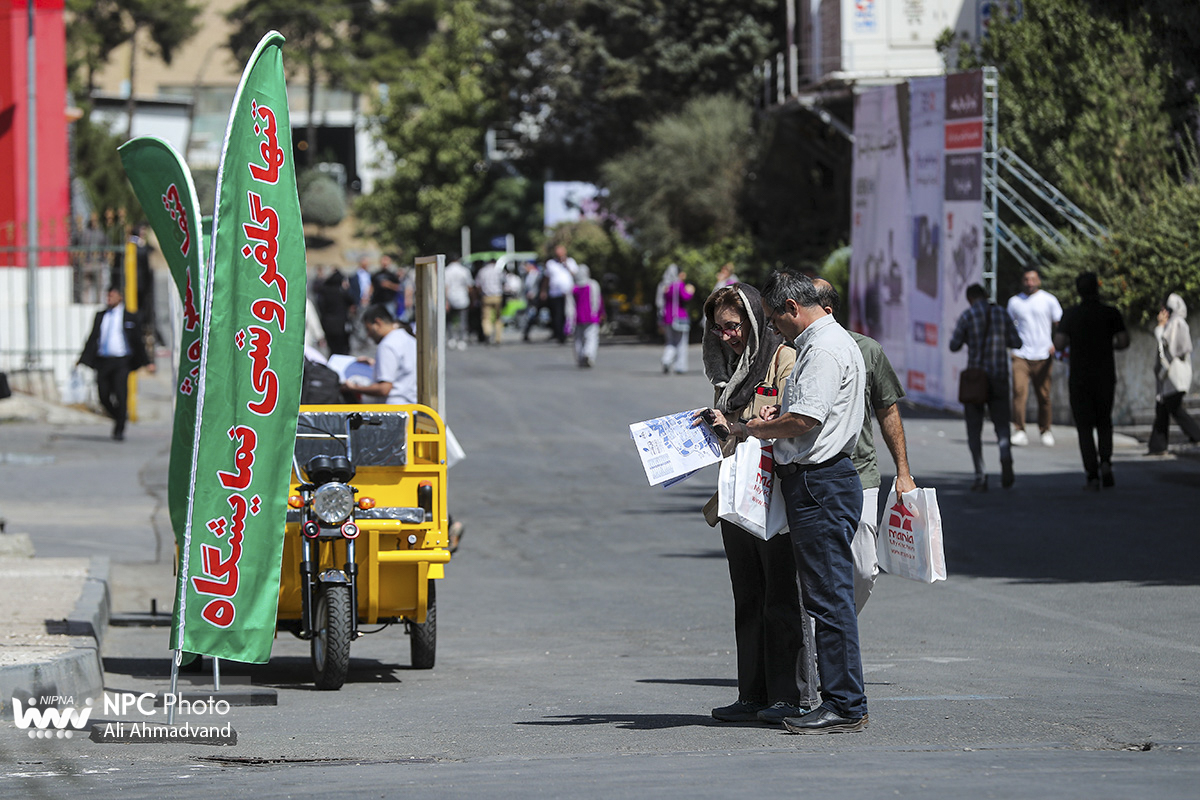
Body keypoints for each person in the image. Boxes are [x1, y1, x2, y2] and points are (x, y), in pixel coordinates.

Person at [709, 270, 868, 735]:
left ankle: (844, 703)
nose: (776, 331)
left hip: (820, 480)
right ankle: (841, 701)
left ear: (793, 309)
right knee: (825, 597)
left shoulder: (820, 349)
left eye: (776, 321)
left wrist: (750, 428)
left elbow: (804, 419)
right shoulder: (829, 344)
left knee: (829, 599)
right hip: (816, 481)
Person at [698, 283, 818, 725]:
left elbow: (793, 419)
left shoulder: (783, 359)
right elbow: (732, 426)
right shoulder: (728, 372)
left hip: (773, 494)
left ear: (753, 321)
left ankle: (790, 695)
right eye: (719, 329)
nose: (726, 336)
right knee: (747, 595)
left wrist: (742, 423)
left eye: (733, 327)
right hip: (736, 495)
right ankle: (752, 693)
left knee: (781, 596)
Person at [813, 279, 916, 613]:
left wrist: (903, 471)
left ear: (827, 311)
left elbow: (888, 411)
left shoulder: (867, 350)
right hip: (808, 475)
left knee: (862, 568)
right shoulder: (795, 350)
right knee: (814, 572)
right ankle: (822, 645)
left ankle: (838, 630)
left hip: (860, 475)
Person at [1052, 273, 1130, 488]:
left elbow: (1058, 344)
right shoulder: (1110, 313)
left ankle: (1092, 475)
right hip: (1105, 374)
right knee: (1104, 421)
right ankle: (1106, 461)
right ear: (1098, 288)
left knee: (1084, 426)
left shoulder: (1071, 314)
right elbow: (1124, 341)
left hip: (1080, 376)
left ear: (1078, 291)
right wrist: (1107, 346)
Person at [950, 283, 1023, 491]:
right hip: (999, 377)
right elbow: (1017, 342)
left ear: (970, 298)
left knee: (974, 429)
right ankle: (1005, 456)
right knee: (1001, 425)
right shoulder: (1001, 313)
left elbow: (953, 345)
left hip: (976, 380)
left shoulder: (967, 316)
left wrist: (968, 338)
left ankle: (980, 475)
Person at [77, 286, 153, 441]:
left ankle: (119, 429)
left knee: (120, 393)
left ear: (120, 297)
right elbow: (92, 338)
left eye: (112, 296)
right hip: (103, 360)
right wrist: (82, 358)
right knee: (103, 395)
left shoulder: (130, 317)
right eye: (108, 296)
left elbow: (138, 342)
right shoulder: (101, 315)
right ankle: (119, 416)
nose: (109, 299)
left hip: (122, 361)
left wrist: (147, 362)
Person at [1007, 267, 1062, 447]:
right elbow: (1008, 326)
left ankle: (1045, 430)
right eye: (1026, 280)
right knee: (1019, 392)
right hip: (1021, 355)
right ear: (1022, 281)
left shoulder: (1048, 300)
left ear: (1038, 280)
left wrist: (1056, 344)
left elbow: (1060, 323)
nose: (1029, 283)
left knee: (1044, 395)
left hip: (1043, 355)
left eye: (1033, 279)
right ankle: (1019, 430)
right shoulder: (1014, 302)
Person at [1147, 292, 1200, 454]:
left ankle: (1196, 435)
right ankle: (1157, 446)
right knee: (1162, 408)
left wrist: (1160, 329)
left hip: (1175, 377)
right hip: (1167, 378)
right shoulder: (1172, 324)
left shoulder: (1177, 323)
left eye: (1166, 309)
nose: (1163, 312)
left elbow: (1176, 348)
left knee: (1172, 408)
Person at [343, 305, 417, 404]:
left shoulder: (387, 345)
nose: (368, 335)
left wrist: (354, 388)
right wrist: (373, 363)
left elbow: (384, 388)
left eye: (368, 329)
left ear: (378, 323)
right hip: (411, 406)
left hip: (395, 409)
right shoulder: (408, 339)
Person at [657, 265, 694, 374]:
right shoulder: (679, 285)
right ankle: (680, 366)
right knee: (681, 343)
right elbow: (685, 297)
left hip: (667, 318)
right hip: (679, 317)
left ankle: (666, 359)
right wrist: (691, 291)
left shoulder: (665, 286)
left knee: (670, 341)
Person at [571, 265, 604, 368]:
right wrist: (600, 313)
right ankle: (588, 354)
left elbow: (570, 305)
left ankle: (581, 357)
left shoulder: (574, 288)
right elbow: (598, 301)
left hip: (578, 317)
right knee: (591, 337)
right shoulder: (593, 285)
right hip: (591, 316)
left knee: (578, 338)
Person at [316, 269, 354, 356]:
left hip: (327, 323)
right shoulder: (342, 292)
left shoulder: (324, 291)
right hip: (341, 324)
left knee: (332, 349)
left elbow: (320, 306)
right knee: (342, 349)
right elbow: (352, 301)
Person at [543, 247, 576, 344]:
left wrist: (566, 264)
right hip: (555, 293)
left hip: (568, 293)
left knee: (568, 313)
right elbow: (546, 278)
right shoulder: (551, 264)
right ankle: (559, 335)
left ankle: (568, 332)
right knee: (557, 315)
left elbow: (575, 274)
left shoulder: (570, 262)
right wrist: (543, 291)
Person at [444, 255, 473, 350]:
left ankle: (451, 338)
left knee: (450, 320)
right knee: (462, 320)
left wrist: (446, 301)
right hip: (462, 297)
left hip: (450, 297)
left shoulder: (446, 270)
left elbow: (445, 286)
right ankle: (462, 339)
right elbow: (469, 285)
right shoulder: (464, 270)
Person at [475, 259, 505, 345]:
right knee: (498, 318)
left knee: (486, 318)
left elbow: (478, 284)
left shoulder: (482, 271)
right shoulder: (498, 271)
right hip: (497, 296)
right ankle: (498, 338)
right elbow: (504, 282)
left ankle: (487, 333)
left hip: (486, 296)